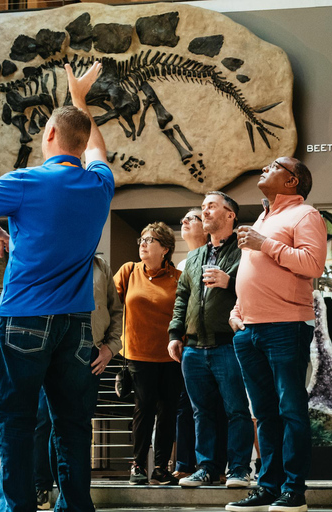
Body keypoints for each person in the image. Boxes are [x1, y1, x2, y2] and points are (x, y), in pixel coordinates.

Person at [0, 62, 113, 512]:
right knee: (72, 423)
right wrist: (79, 101)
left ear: (50, 137)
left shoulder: (25, 181)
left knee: (16, 422)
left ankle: (17, 508)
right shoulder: (100, 183)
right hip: (76, 324)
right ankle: (75, 506)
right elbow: (97, 147)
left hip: (24, 318)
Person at [226, 157, 327, 512]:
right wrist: (237, 311)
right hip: (249, 330)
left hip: (286, 326)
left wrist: (263, 243)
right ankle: (268, 487)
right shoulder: (264, 217)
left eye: (275, 165)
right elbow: (253, 271)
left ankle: (293, 491)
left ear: (292, 180)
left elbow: (313, 264)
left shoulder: (306, 215)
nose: (266, 167)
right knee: (265, 414)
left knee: (290, 411)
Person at [168, 192, 254, 488]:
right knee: (201, 412)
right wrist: (175, 334)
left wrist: (230, 282)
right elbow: (182, 298)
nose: (205, 211)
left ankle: (239, 469)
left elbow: (256, 289)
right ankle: (206, 467)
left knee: (236, 409)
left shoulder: (245, 253)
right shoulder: (192, 257)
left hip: (228, 343)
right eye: (203, 207)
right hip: (192, 347)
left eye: (212, 206)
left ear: (230, 215)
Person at [34, 255, 123, 508]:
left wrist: (110, 348)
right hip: (50, 353)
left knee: (77, 428)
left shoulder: (99, 265)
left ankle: (72, 499)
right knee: (47, 423)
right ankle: (52, 490)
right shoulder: (50, 257)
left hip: (88, 353)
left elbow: (115, 310)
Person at [114, 222, 182, 486]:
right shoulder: (128, 272)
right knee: (143, 411)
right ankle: (138, 465)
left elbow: (184, 314)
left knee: (168, 412)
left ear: (165, 248)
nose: (143, 243)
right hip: (138, 354)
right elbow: (109, 304)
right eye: (141, 239)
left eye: (150, 240)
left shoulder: (178, 277)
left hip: (171, 355)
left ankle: (162, 468)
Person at [173, 208, 206, 479]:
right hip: (188, 346)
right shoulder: (182, 266)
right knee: (187, 406)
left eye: (191, 218)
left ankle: (219, 465)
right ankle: (184, 464)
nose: (183, 222)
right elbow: (180, 306)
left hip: (220, 344)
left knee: (220, 406)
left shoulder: (226, 256)